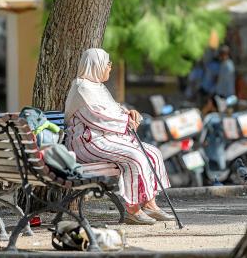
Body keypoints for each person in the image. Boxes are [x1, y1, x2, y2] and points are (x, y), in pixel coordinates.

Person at [64, 48, 173, 225]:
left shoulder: (97, 86)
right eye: (107, 63)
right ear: (96, 65)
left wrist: (129, 112)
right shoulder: (81, 87)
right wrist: (125, 121)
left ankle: (150, 204)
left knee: (152, 152)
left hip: (106, 139)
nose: (110, 67)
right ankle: (133, 209)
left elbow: (113, 108)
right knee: (135, 157)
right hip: (88, 142)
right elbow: (97, 117)